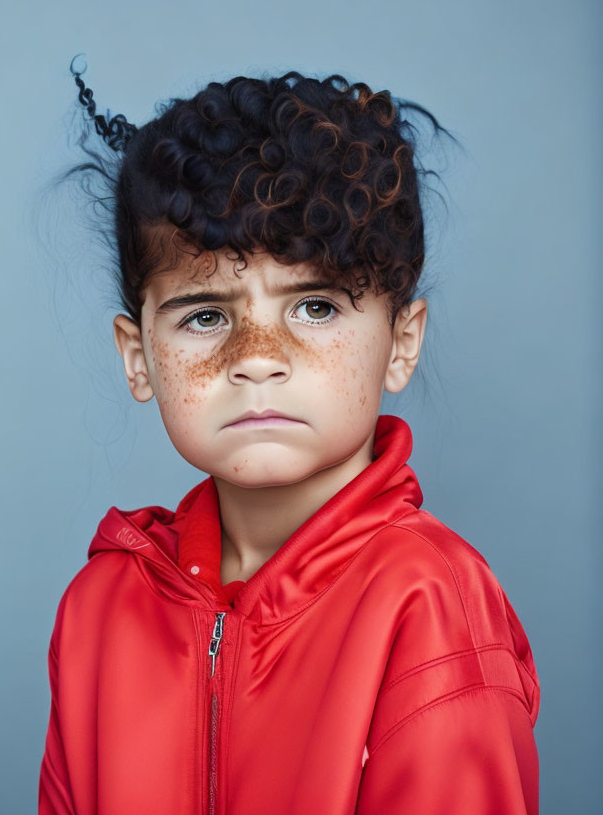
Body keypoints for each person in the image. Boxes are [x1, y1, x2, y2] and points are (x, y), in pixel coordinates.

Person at [38, 56, 541, 814]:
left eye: (314, 308)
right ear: (138, 358)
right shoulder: (99, 612)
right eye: (206, 316)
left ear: (401, 341)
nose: (258, 361)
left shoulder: (429, 607)